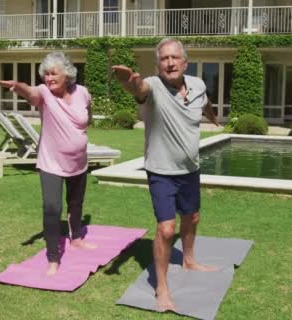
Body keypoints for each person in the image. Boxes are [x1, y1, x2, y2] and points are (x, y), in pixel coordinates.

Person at [112, 38, 220, 312]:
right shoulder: (153, 87)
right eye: (164, 59)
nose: (170, 63)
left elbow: (204, 103)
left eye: (175, 58)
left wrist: (212, 116)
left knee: (192, 216)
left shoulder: (197, 85)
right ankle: (161, 286)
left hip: (190, 169)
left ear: (185, 62)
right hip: (161, 170)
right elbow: (139, 89)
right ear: (158, 64)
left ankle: (189, 260)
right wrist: (129, 82)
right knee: (166, 228)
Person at [0, 52, 96, 276]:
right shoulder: (44, 93)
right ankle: (53, 257)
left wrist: (82, 129)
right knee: (53, 208)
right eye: (46, 74)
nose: (48, 78)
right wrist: (18, 86)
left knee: (76, 202)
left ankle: (77, 239)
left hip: (78, 160)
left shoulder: (82, 92)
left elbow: (88, 113)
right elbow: (30, 92)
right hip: (51, 161)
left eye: (53, 73)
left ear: (67, 74)